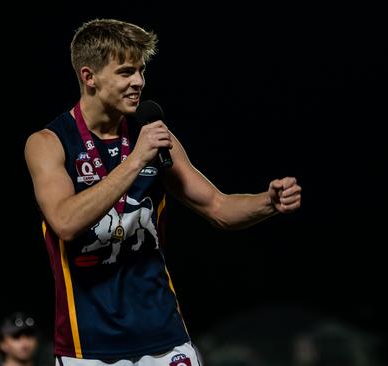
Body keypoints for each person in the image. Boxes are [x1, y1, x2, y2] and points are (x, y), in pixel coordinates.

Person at [24, 18, 302, 365]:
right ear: (88, 76)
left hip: (166, 340)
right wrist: (135, 160)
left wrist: (267, 201)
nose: (138, 82)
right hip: (89, 348)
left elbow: (218, 206)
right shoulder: (49, 143)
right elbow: (64, 222)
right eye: (126, 72)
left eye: (141, 71)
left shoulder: (154, 135)